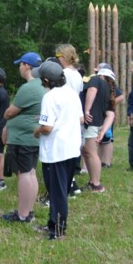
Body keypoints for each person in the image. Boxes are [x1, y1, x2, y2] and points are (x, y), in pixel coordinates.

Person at [33, 61, 83, 240]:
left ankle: (58, 230)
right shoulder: (71, 93)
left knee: (57, 191)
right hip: (72, 149)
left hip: (56, 152)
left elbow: (47, 128)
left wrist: (36, 131)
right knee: (59, 190)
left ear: (47, 80)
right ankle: (52, 224)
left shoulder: (50, 97)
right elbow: (81, 119)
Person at [1, 52, 45, 223]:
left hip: (23, 139)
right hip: (31, 138)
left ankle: (22, 214)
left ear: (27, 66)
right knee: (31, 173)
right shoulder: (42, 86)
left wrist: (7, 115)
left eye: (20, 64)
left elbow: (10, 112)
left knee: (24, 174)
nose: (19, 68)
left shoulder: (29, 88)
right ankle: (28, 210)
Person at [54, 45, 85, 196]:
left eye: (58, 55)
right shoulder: (77, 74)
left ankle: (68, 184)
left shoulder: (64, 73)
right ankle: (72, 182)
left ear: (64, 56)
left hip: (65, 114)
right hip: (75, 113)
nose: (57, 58)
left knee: (62, 151)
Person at [81, 65, 113, 193]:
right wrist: (103, 131)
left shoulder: (95, 80)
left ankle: (96, 184)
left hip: (91, 122)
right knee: (87, 152)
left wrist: (86, 109)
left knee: (91, 153)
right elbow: (111, 114)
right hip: (97, 123)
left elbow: (92, 90)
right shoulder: (108, 89)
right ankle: (92, 181)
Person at [95, 62, 125, 167]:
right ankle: (98, 161)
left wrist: (108, 105)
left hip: (106, 116)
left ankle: (106, 162)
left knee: (107, 138)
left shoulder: (109, 83)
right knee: (99, 138)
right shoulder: (98, 82)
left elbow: (120, 97)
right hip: (100, 115)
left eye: (98, 71)